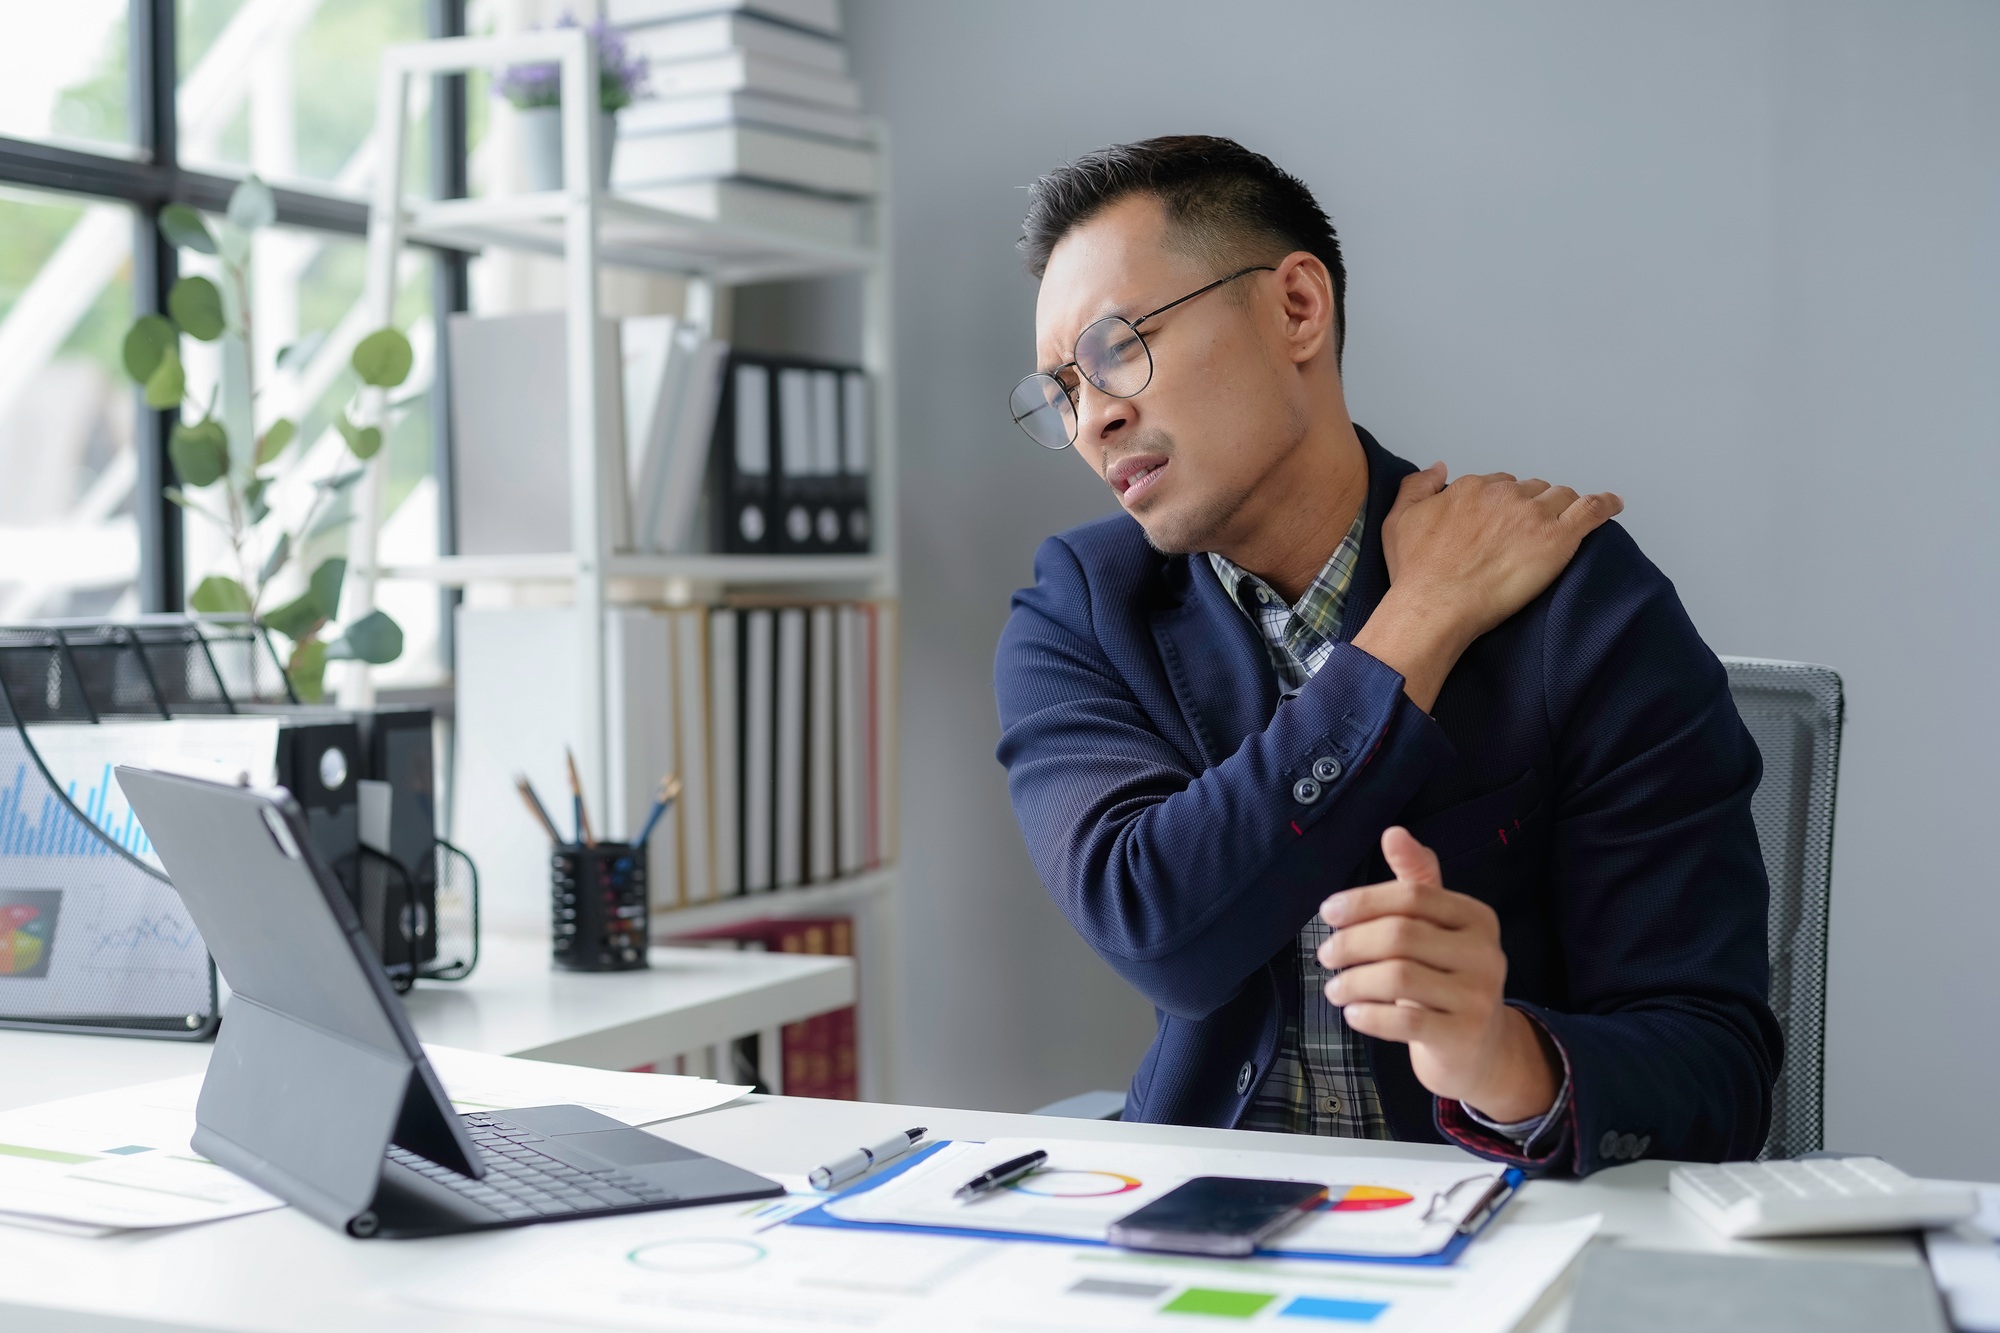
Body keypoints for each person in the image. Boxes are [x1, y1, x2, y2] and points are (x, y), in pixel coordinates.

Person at [992, 135, 1778, 1176]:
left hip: (1503, 1232)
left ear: (1296, 309)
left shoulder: (1576, 602)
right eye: (1060, 391)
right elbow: (1158, 924)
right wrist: (1418, 623)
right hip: (1202, 1214)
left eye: (1115, 350)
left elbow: (1717, 1071)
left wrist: (1505, 1058)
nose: (1095, 416)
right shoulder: (1085, 609)